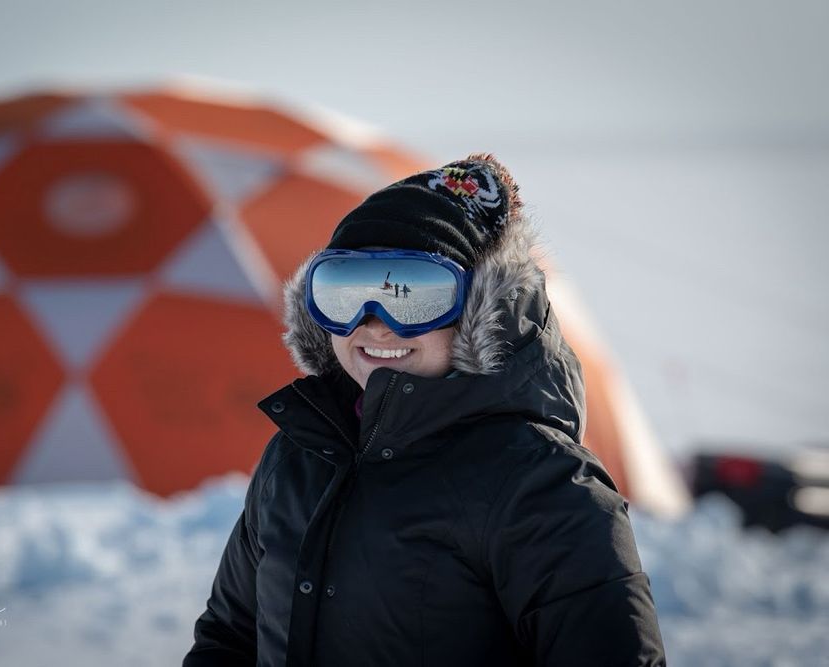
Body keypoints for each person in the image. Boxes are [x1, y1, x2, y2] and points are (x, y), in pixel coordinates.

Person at [184, 154, 667, 666]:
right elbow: (228, 638)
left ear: (483, 313)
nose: (374, 323)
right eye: (345, 293)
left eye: (411, 295)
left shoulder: (541, 484)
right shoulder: (298, 458)